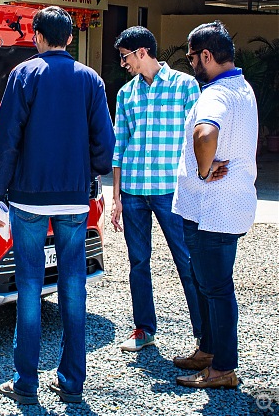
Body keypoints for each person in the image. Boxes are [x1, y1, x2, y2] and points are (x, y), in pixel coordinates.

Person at [0, 6, 115, 405]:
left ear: (37, 37)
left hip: (28, 198)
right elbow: (105, 145)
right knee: (72, 284)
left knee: (28, 285)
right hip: (74, 199)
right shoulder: (91, 80)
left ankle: (26, 382)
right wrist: (88, 175)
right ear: (71, 39)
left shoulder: (23, 75)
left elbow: (7, 138)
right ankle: (72, 383)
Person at [172, 21, 257, 389]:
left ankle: (222, 368)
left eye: (192, 57)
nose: (191, 64)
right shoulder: (242, 87)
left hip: (212, 210)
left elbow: (205, 133)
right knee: (210, 285)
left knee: (217, 288)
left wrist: (203, 172)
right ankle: (208, 350)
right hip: (229, 206)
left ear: (206, 55)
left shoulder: (216, 94)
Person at [110, 26, 202, 352]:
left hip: (171, 190)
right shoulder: (126, 95)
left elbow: (197, 139)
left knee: (187, 260)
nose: (123, 64)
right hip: (134, 189)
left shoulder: (185, 87)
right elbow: (119, 146)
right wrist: (116, 197)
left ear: (142, 52)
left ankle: (204, 337)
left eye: (125, 57)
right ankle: (144, 329)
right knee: (138, 262)